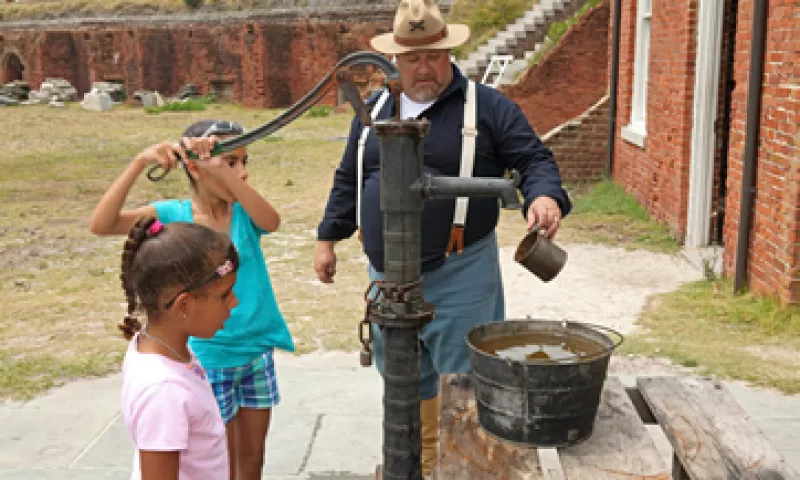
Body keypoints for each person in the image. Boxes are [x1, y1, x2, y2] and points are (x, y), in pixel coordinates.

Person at [313, 0, 571, 475]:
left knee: (464, 384)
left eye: (433, 56)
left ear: (449, 53)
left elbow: (534, 159)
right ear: (396, 59)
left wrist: (544, 196)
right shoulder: (374, 110)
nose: (424, 67)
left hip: (460, 272)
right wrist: (328, 237)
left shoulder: (486, 107)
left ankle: (460, 467)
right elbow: (350, 175)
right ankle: (415, 465)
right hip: (387, 277)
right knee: (403, 383)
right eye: (413, 58)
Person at [89, 120, 294, 480]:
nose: (242, 172)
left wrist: (223, 171)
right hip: (211, 356)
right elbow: (102, 224)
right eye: (231, 162)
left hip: (255, 350)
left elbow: (272, 221)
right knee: (218, 459)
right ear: (196, 168)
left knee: (252, 460)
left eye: (244, 162)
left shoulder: (244, 213)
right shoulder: (174, 215)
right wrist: (139, 163)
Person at [118, 216, 239, 480]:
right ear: (183, 306)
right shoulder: (163, 389)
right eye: (224, 295)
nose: (234, 302)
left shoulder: (161, 346)